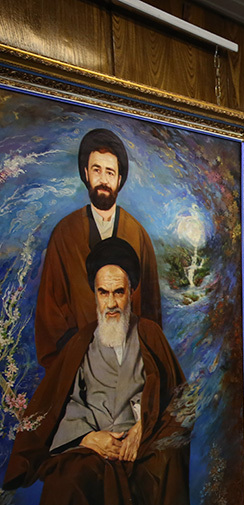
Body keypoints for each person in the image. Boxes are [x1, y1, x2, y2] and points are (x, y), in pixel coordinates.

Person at [4, 238, 189, 505]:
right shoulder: (81, 342)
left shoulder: (149, 334)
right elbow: (67, 402)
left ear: (131, 293)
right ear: (94, 294)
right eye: (103, 293)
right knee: (66, 483)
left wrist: (143, 427)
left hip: (141, 439)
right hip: (92, 442)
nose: (111, 303)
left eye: (119, 292)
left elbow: (175, 395)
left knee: (161, 465)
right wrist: (90, 438)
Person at [35, 127, 162, 371]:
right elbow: (50, 310)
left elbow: (150, 308)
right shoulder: (65, 233)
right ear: (86, 173)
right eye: (97, 170)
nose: (103, 179)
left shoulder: (138, 235)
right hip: (79, 362)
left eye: (110, 172)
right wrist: (78, 356)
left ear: (120, 179)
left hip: (130, 363)